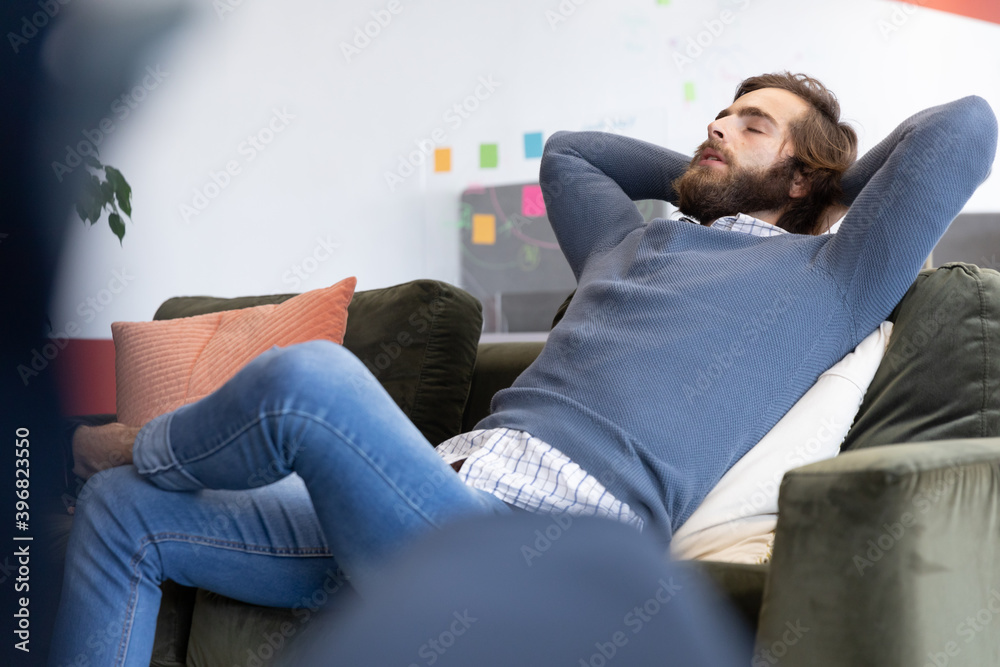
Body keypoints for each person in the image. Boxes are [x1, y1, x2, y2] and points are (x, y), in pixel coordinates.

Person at [50, 72, 997, 667]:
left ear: (805, 178)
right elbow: (572, 154)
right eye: (715, 115)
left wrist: (820, 190)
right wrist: (716, 168)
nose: (715, 126)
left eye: (749, 124)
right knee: (121, 516)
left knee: (312, 380)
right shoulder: (629, 246)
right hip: (425, 497)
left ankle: (141, 443)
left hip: (532, 543)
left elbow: (964, 124)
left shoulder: (827, 276)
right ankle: (138, 472)